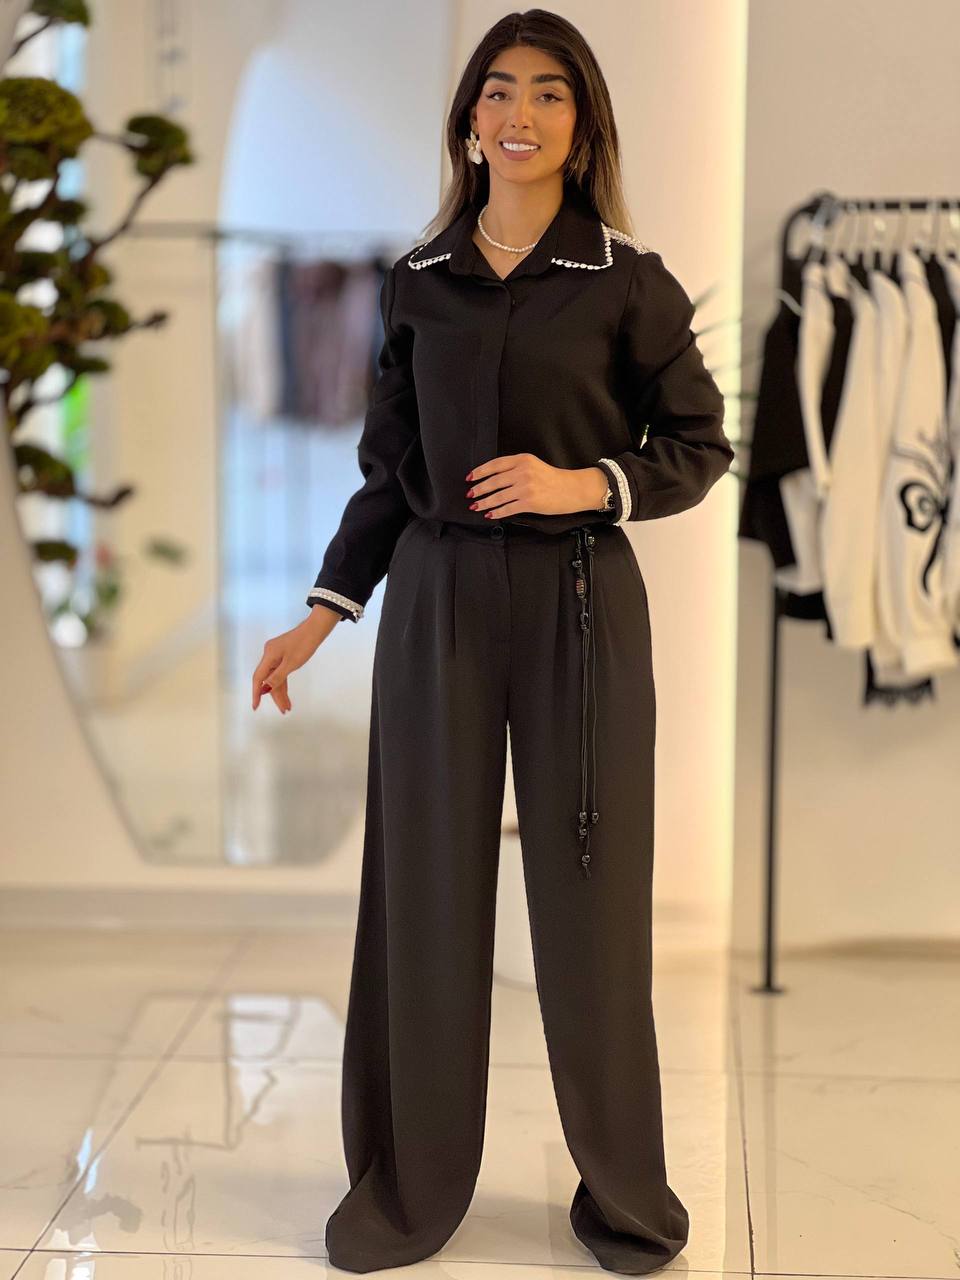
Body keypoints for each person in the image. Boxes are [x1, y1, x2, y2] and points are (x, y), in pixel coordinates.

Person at [252, 10, 733, 1274]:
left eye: (550, 93)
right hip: (438, 605)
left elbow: (700, 443)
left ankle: (624, 1194)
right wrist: (321, 612)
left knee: (592, 904)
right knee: (424, 895)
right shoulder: (417, 281)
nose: (522, 113)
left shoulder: (627, 279)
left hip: (581, 604)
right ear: (470, 118)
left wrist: (587, 484)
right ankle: (409, 1189)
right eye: (500, 90)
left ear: (583, 126)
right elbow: (388, 471)